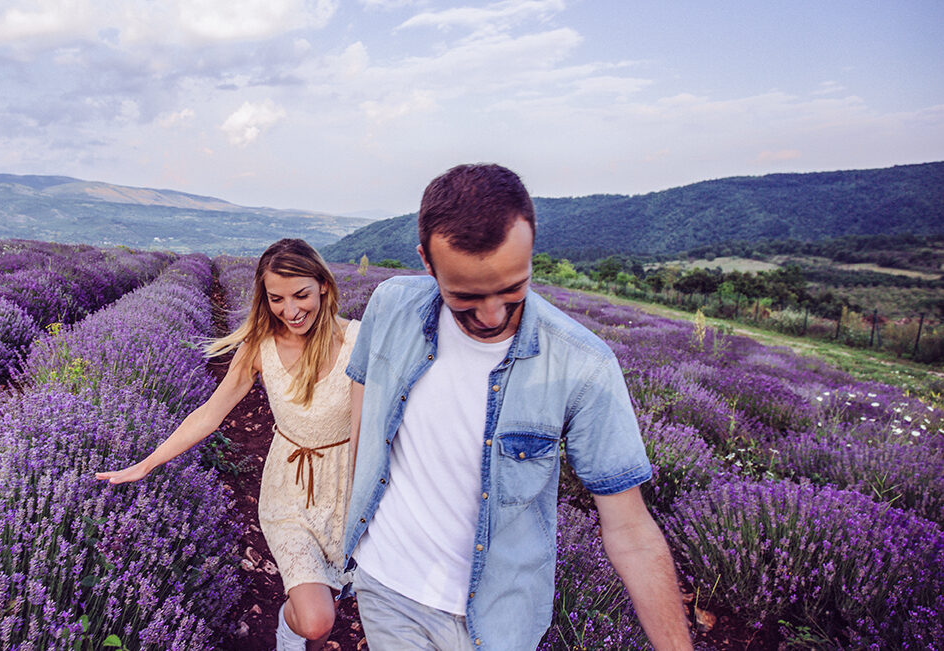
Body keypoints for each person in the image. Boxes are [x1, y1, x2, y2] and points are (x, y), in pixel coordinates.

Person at [342, 164, 693, 650]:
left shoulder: (582, 364)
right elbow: (362, 400)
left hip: (499, 617)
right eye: (465, 295)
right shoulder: (390, 305)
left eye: (512, 288)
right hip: (387, 584)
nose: (492, 314)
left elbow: (631, 530)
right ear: (427, 261)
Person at [97, 238, 358, 651]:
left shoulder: (357, 341)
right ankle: (287, 636)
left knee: (334, 616)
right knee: (315, 621)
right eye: (276, 299)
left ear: (324, 285)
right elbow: (209, 413)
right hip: (289, 491)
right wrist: (147, 463)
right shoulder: (260, 347)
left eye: (301, 295)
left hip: (350, 486)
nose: (290, 311)